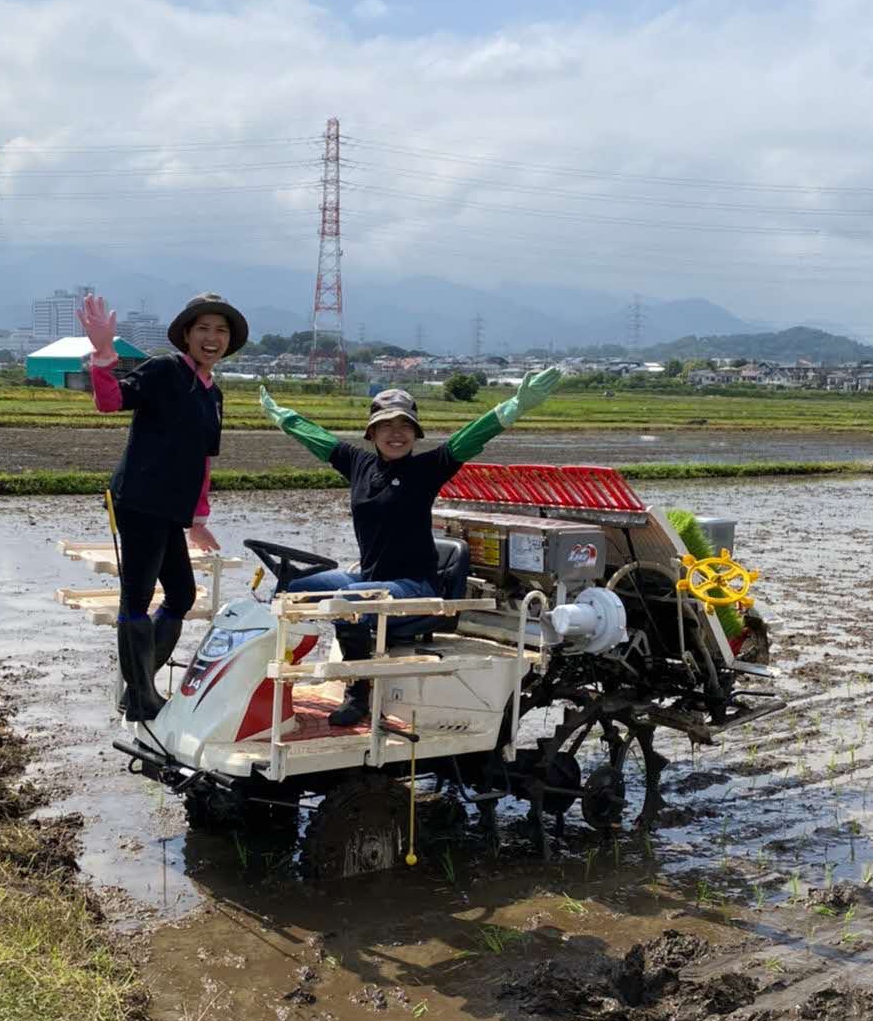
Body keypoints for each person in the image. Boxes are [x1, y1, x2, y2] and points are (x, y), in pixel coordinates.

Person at [260, 371, 560, 725]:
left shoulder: (427, 469)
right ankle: (266, 684)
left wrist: (513, 407)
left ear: (416, 434)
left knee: (349, 602)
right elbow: (318, 438)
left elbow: (469, 438)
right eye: (386, 425)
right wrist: (283, 418)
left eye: (405, 425)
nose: (396, 433)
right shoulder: (357, 464)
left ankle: (358, 693)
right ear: (371, 432)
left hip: (414, 585)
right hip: (370, 578)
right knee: (292, 590)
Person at [77, 290, 249, 721]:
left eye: (221, 330)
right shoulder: (164, 369)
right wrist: (103, 354)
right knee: (135, 599)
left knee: (182, 594)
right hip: (138, 499)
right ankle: (141, 696)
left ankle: (139, 688)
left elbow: (203, 461)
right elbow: (109, 401)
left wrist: (198, 520)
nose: (213, 338)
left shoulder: (213, 394)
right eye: (204, 329)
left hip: (171, 510)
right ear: (187, 335)